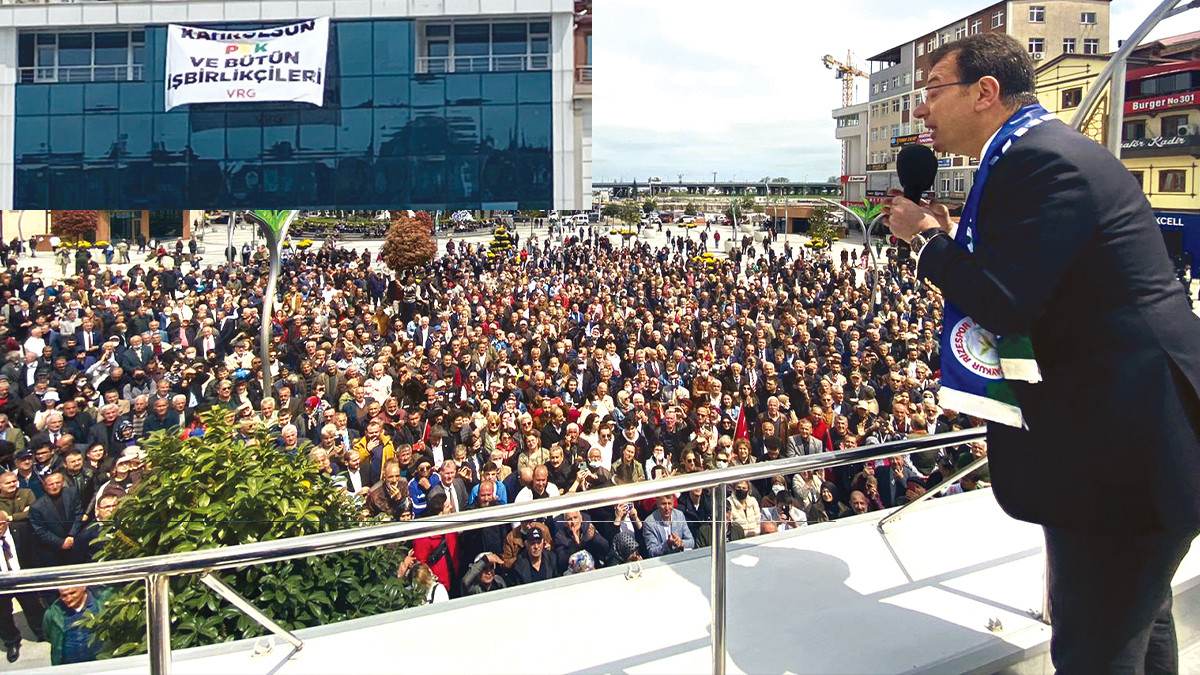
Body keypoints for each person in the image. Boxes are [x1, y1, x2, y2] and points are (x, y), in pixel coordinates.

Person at [884, 33, 1200, 673]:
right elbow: (1042, 280)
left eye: (932, 91)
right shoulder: (1037, 153)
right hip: (1129, 439)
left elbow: (1007, 302)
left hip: (1126, 445)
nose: (921, 111)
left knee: (1097, 644)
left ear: (984, 92)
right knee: (1137, 623)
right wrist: (951, 238)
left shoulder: (1039, 162)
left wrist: (925, 243)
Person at [0, 511, 47, 662]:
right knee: (3, 615)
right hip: (2, 583)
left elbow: (33, 553)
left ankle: (42, 633)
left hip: (22, 578)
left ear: (5, 523)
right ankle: (11, 641)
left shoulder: (21, 530)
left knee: (34, 608)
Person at [43, 585, 111, 665]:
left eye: (73, 593)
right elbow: (49, 635)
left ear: (83, 587)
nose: (69, 599)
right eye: (64, 595)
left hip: (102, 663)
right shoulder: (53, 613)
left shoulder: (102, 604)